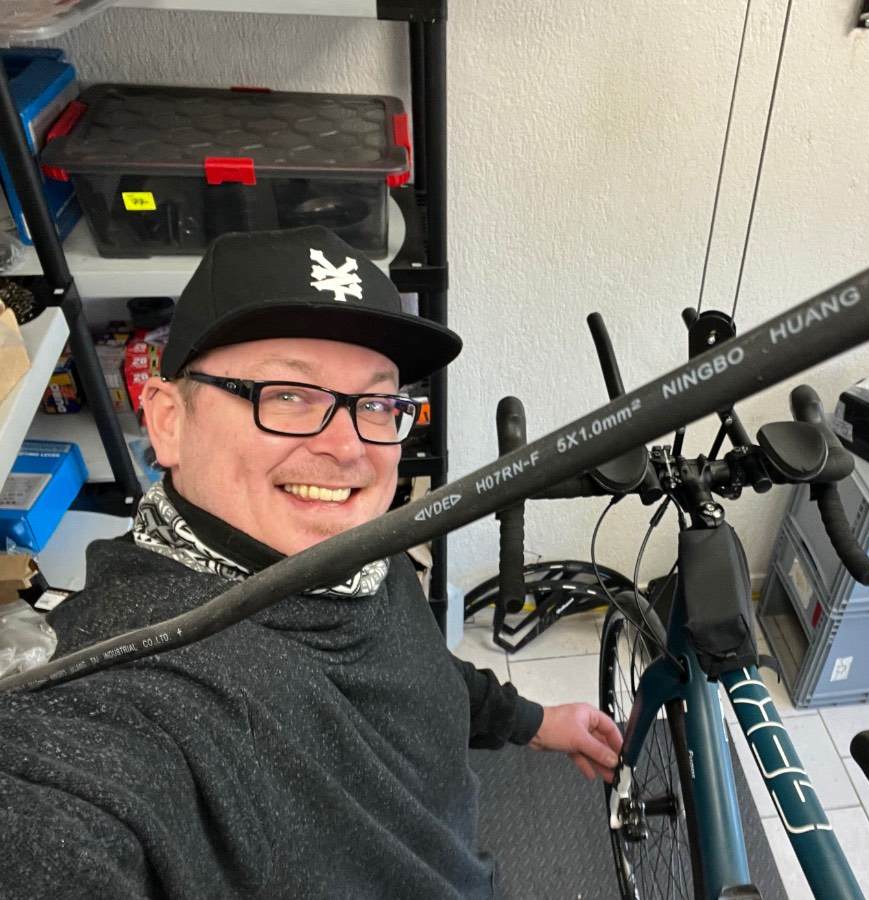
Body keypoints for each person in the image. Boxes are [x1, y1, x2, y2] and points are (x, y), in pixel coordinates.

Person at [0, 226, 623, 898]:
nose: (348, 448)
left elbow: (416, 671)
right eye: (288, 395)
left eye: (376, 403)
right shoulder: (124, 689)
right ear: (169, 420)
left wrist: (531, 721)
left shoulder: (364, 557)